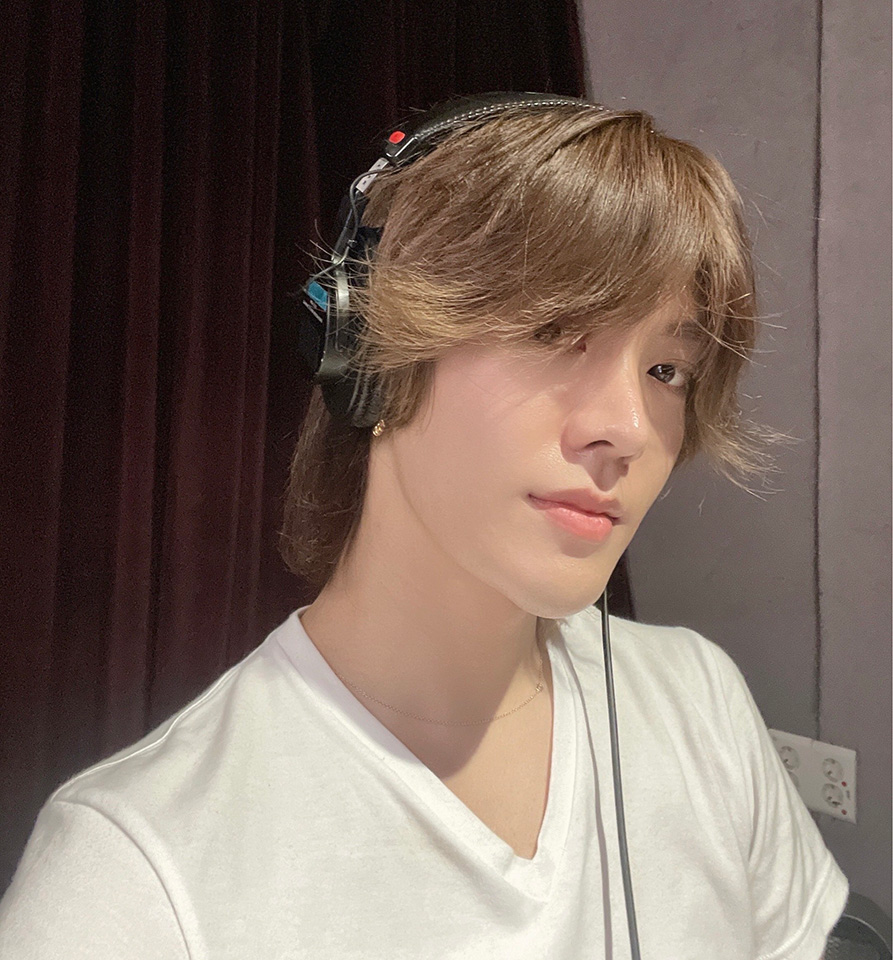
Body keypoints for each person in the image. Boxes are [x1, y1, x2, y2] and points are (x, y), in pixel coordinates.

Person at [0, 98, 848, 959]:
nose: (627, 428)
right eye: (553, 332)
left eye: (666, 369)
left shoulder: (699, 701)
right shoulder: (132, 878)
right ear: (368, 354)